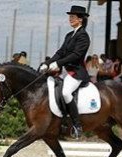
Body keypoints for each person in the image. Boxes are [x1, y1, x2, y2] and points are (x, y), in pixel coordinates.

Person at [39, 5, 90, 139]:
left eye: (73, 17)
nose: (70, 19)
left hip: (77, 73)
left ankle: (77, 125)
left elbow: (76, 55)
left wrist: (58, 63)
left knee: (66, 93)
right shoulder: (69, 35)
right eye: (70, 17)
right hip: (68, 72)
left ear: (80, 19)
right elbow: (60, 52)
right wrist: (48, 63)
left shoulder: (83, 36)